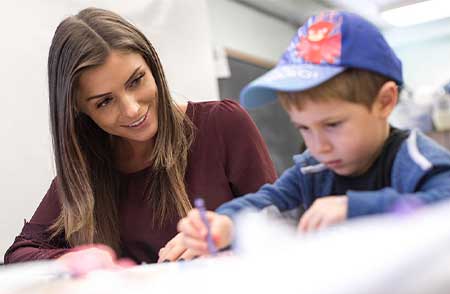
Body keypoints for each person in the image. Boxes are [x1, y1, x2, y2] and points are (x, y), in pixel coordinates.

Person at [4, 7, 276, 272]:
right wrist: (69, 259)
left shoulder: (222, 123)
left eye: (136, 81)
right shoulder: (84, 170)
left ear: (152, 65)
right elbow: (19, 253)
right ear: (79, 109)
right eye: (105, 102)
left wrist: (226, 233)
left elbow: (282, 220)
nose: (132, 109)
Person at [178, 11, 450, 255]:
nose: (319, 147)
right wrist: (226, 222)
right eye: (304, 128)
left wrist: (354, 209)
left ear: (385, 101)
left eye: (332, 125)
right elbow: (268, 201)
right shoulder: (312, 169)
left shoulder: (414, 158)